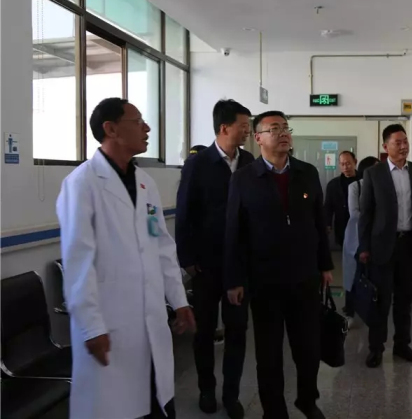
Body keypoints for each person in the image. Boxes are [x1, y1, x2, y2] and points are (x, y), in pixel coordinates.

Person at [57, 98, 196, 419]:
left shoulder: (145, 183)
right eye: (138, 122)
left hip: (150, 321)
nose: (147, 128)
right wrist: (91, 328)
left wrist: (179, 301)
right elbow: (78, 264)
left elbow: (161, 246)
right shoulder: (82, 184)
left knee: (157, 402)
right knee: (115, 407)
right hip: (110, 326)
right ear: (111, 129)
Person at [224, 111, 333, 419]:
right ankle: (274, 410)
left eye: (286, 128)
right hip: (264, 281)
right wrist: (234, 279)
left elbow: (319, 222)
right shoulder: (244, 178)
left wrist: (325, 265)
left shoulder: (307, 172)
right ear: (258, 138)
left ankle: (307, 400)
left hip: (304, 277)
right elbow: (234, 231)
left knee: (308, 349)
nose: (283, 133)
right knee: (269, 353)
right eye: (274, 129)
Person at [176, 99, 254, 418]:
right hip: (206, 265)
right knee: (205, 332)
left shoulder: (248, 161)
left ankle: (231, 394)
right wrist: (187, 259)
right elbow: (184, 213)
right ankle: (206, 389)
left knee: (237, 331)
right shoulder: (198, 164)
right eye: (243, 126)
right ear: (224, 128)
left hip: (239, 265)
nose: (248, 132)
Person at [358, 124, 412, 368]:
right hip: (381, 246)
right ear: (385, 146)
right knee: (381, 301)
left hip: (409, 244)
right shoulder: (374, 173)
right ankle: (376, 348)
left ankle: (402, 345)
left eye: (405, 142)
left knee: (404, 300)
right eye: (397, 143)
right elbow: (366, 213)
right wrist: (364, 247)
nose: (403, 147)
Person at [342, 156, 380, 323]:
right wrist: (377, 219)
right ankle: (350, 310)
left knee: (372, 275)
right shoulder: (355, 186)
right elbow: (354, 213)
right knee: (354, 274)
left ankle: (369, 308)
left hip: (377, 238)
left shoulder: (382, 187)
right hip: (357, 237)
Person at [324, 151, 358, 247]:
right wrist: (327, 223)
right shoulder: (333, 184)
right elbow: (328, 206)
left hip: (359, 223)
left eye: (348, 163)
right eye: (342, 164)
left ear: (355, 162)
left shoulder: (364, 180)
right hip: (342, 224)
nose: (345, 167)